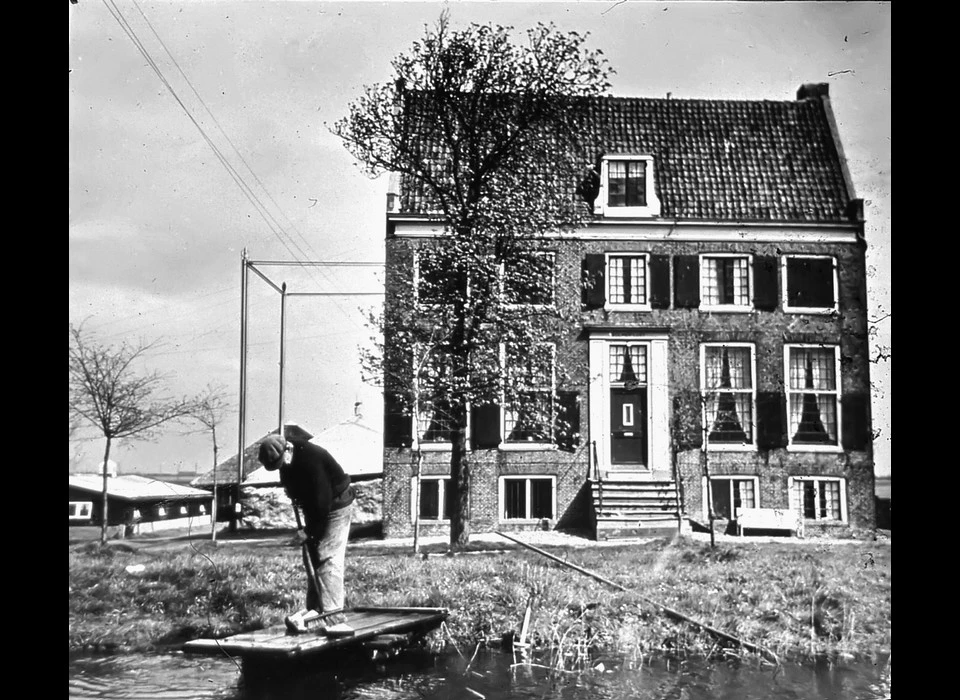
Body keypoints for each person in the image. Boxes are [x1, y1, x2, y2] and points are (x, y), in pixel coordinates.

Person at [257, 429, 355, 634]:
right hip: (315, 507)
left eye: (280, 463)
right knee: (311, 555)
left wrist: (310, 533)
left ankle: (334, 617)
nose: (280, 468)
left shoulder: (312, 459)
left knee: (327, 556)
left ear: (287, 450)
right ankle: (316, 610)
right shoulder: (287, 456)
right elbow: (292, 481)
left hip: (336, 505)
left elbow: (322, 503)